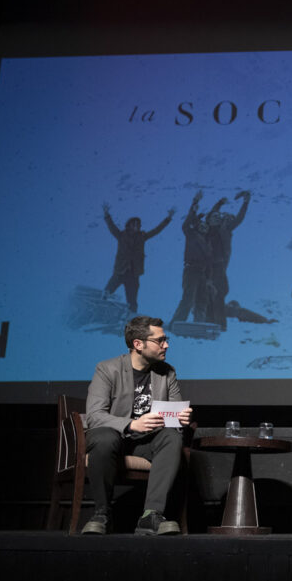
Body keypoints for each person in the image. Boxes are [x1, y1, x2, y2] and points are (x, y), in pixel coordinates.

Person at [81, 316, 193, 535]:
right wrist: (132, 424)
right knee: (104, 438)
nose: (166, 345)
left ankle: (151, 515)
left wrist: (180, 418)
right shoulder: (107, 369)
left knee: (172, 436)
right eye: (160, 340)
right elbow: (94, 416)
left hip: (146, 442)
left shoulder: (166, 372)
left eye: (166, 340)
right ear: (138, 344)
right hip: (114, 438)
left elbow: (174, 415)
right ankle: (102, 513)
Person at [102, 203, 174, 312]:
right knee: (106, 292)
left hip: (133, 274)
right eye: (133, 224)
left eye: (137, 225)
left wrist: (168, 219)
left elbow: (156, 230)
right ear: (129, 225)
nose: (135, 227)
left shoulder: (142, 237)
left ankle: (131, 320)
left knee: (132, 301)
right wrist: (107, 215)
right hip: (120, 271)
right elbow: (111, 227)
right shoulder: (121, 235)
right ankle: (98, 311)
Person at [204, 190, 251, 330]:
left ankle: (219, 325)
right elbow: (211, 215)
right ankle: (210, 321)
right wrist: (219, 204)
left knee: (220, 292)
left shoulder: (225, 229)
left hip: (219, 265)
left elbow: (239, 218)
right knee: (209, 293)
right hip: (207, 265)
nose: (220, 217)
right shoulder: (207, 229)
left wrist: (245, 202)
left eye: (223, 217)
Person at [171, 191, 212, 325]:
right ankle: (177, 322)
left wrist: (208, 278)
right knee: (188, 298)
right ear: (198, 226)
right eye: (202, 225)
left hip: (202, 273)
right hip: (191, 270)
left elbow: (209, 262)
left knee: (202, 299)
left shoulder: (207, 244)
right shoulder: (192, 235)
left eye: (206, 227)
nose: (204, 228)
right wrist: (194, 205)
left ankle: (199, 324)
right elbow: (186, 225)